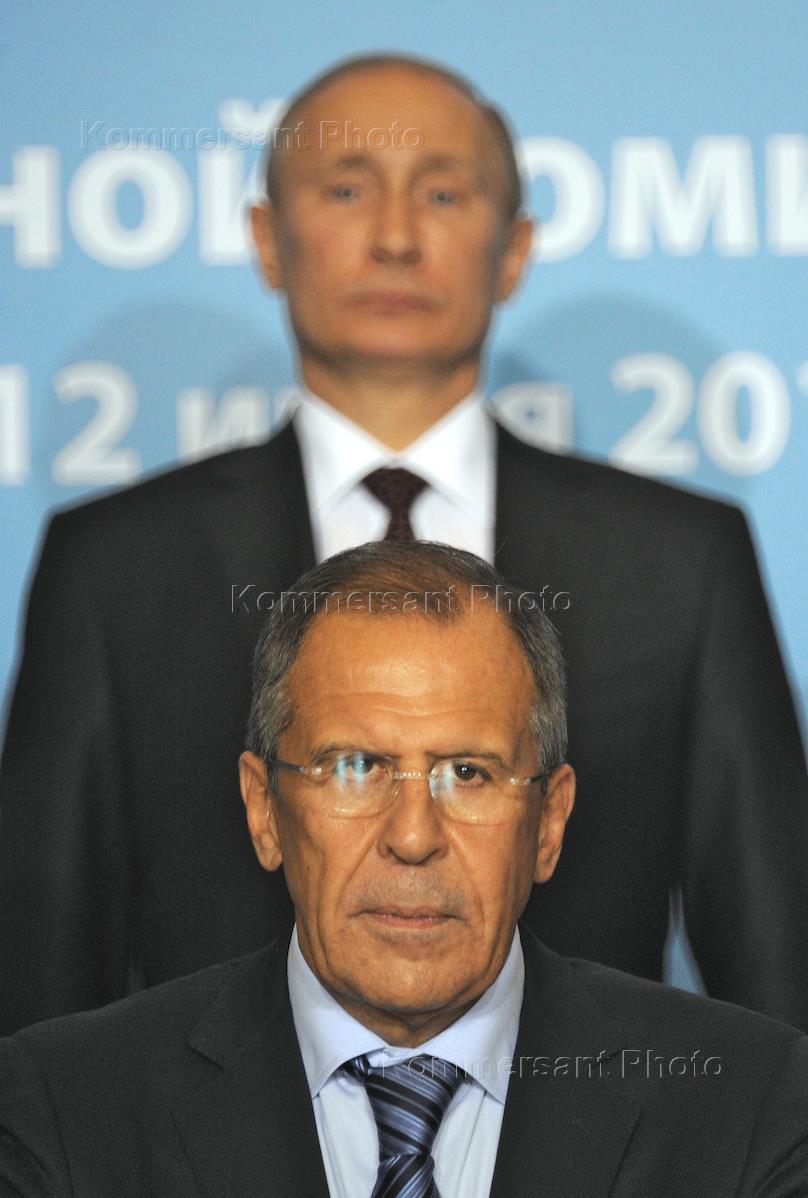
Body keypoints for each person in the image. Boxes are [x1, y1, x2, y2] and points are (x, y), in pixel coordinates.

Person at [1, 53, 807, 1035]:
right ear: (267, 240)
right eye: (347, 190)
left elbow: (777, 985)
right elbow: (39, 990)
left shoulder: (677, 562)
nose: (393, 238)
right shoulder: (116, 567)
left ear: (513, 250)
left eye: (441, 193)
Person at [1, 542, 806, 1198]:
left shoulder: (753, 1108)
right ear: (264, 809)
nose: (414, 837)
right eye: (355, 767)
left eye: (469, 773)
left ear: (549, 823)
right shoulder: (64, 1110)